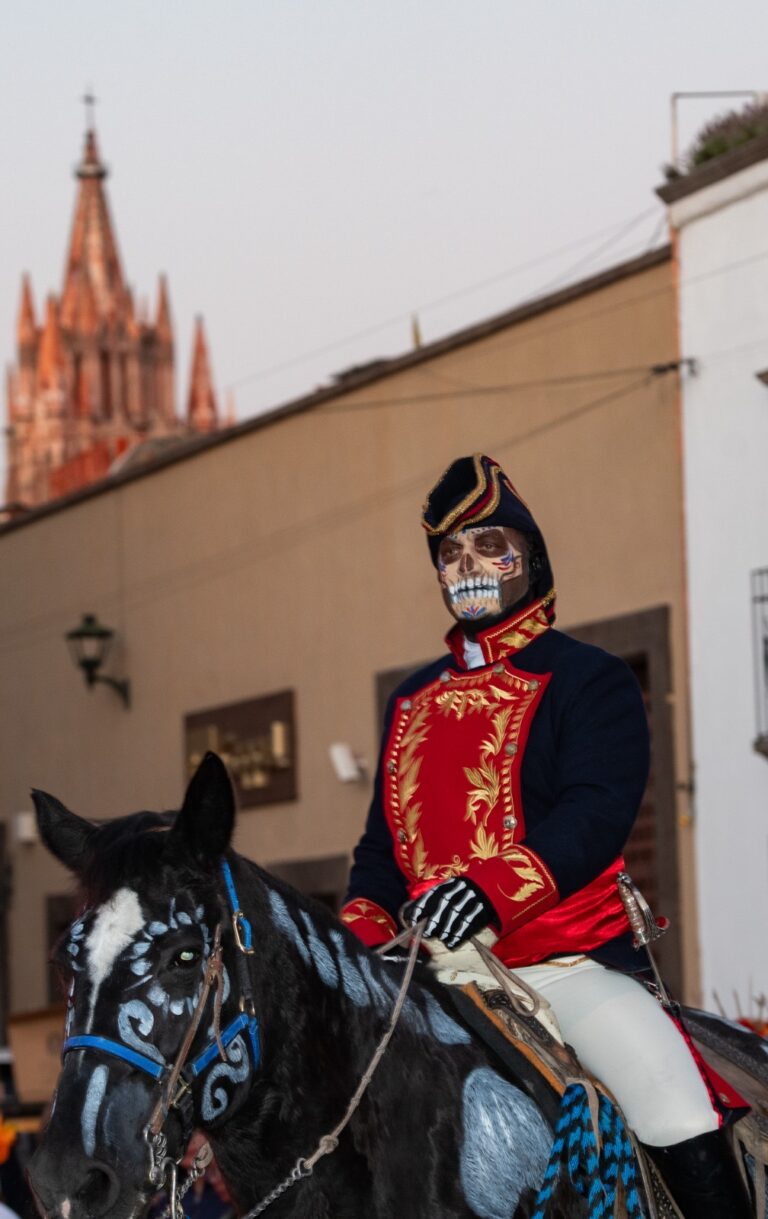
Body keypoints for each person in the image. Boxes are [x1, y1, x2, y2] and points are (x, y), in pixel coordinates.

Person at [342, 453, 752, 1219]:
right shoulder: (411, 700)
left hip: (563, 966)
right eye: (450, 552)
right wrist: (352, 946)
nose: (467, 565)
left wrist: (487, 891)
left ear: (529, 558)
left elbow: (595, 814)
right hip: (426, 973)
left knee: (673, 1105)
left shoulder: (588, 678)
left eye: (487, 544)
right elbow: (378, 857)